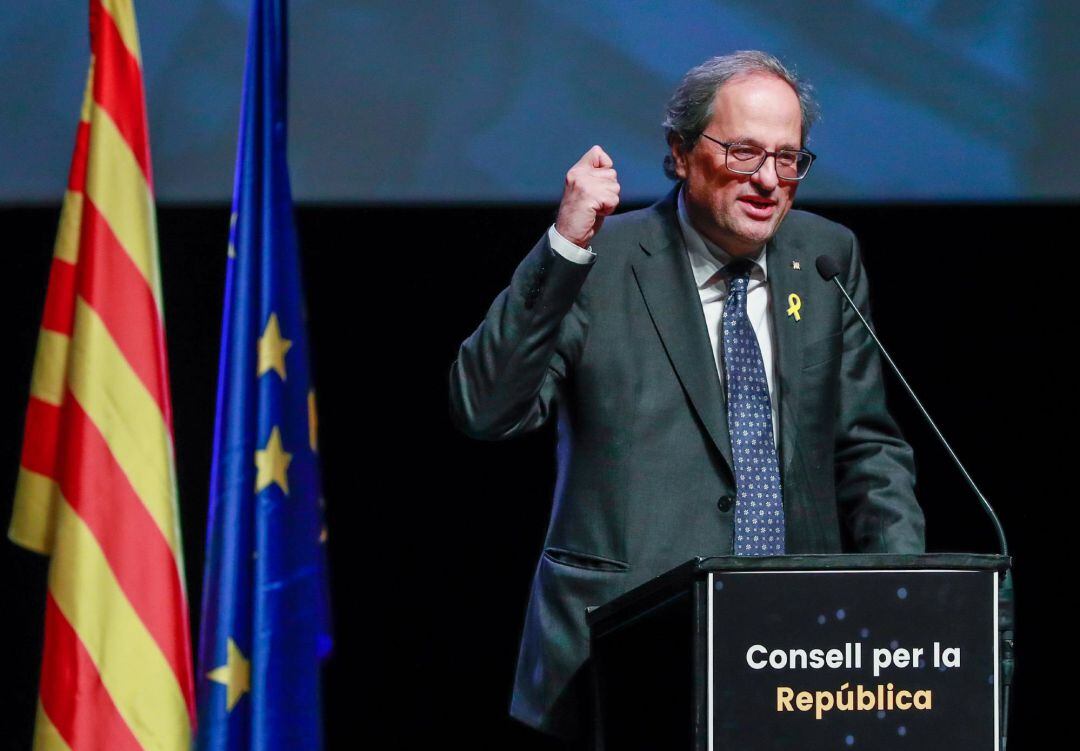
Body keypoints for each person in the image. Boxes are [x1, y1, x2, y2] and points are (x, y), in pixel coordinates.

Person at [448, 50, 925, 745]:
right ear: (679, 153)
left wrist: (906, 595)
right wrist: (562, 248)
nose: (768, 180)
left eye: (789, 158)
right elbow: (485, 408)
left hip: (794, 658)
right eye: (744, 152)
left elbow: (867, 445)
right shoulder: (599, 260)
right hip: (615, 662)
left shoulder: (826, 257)